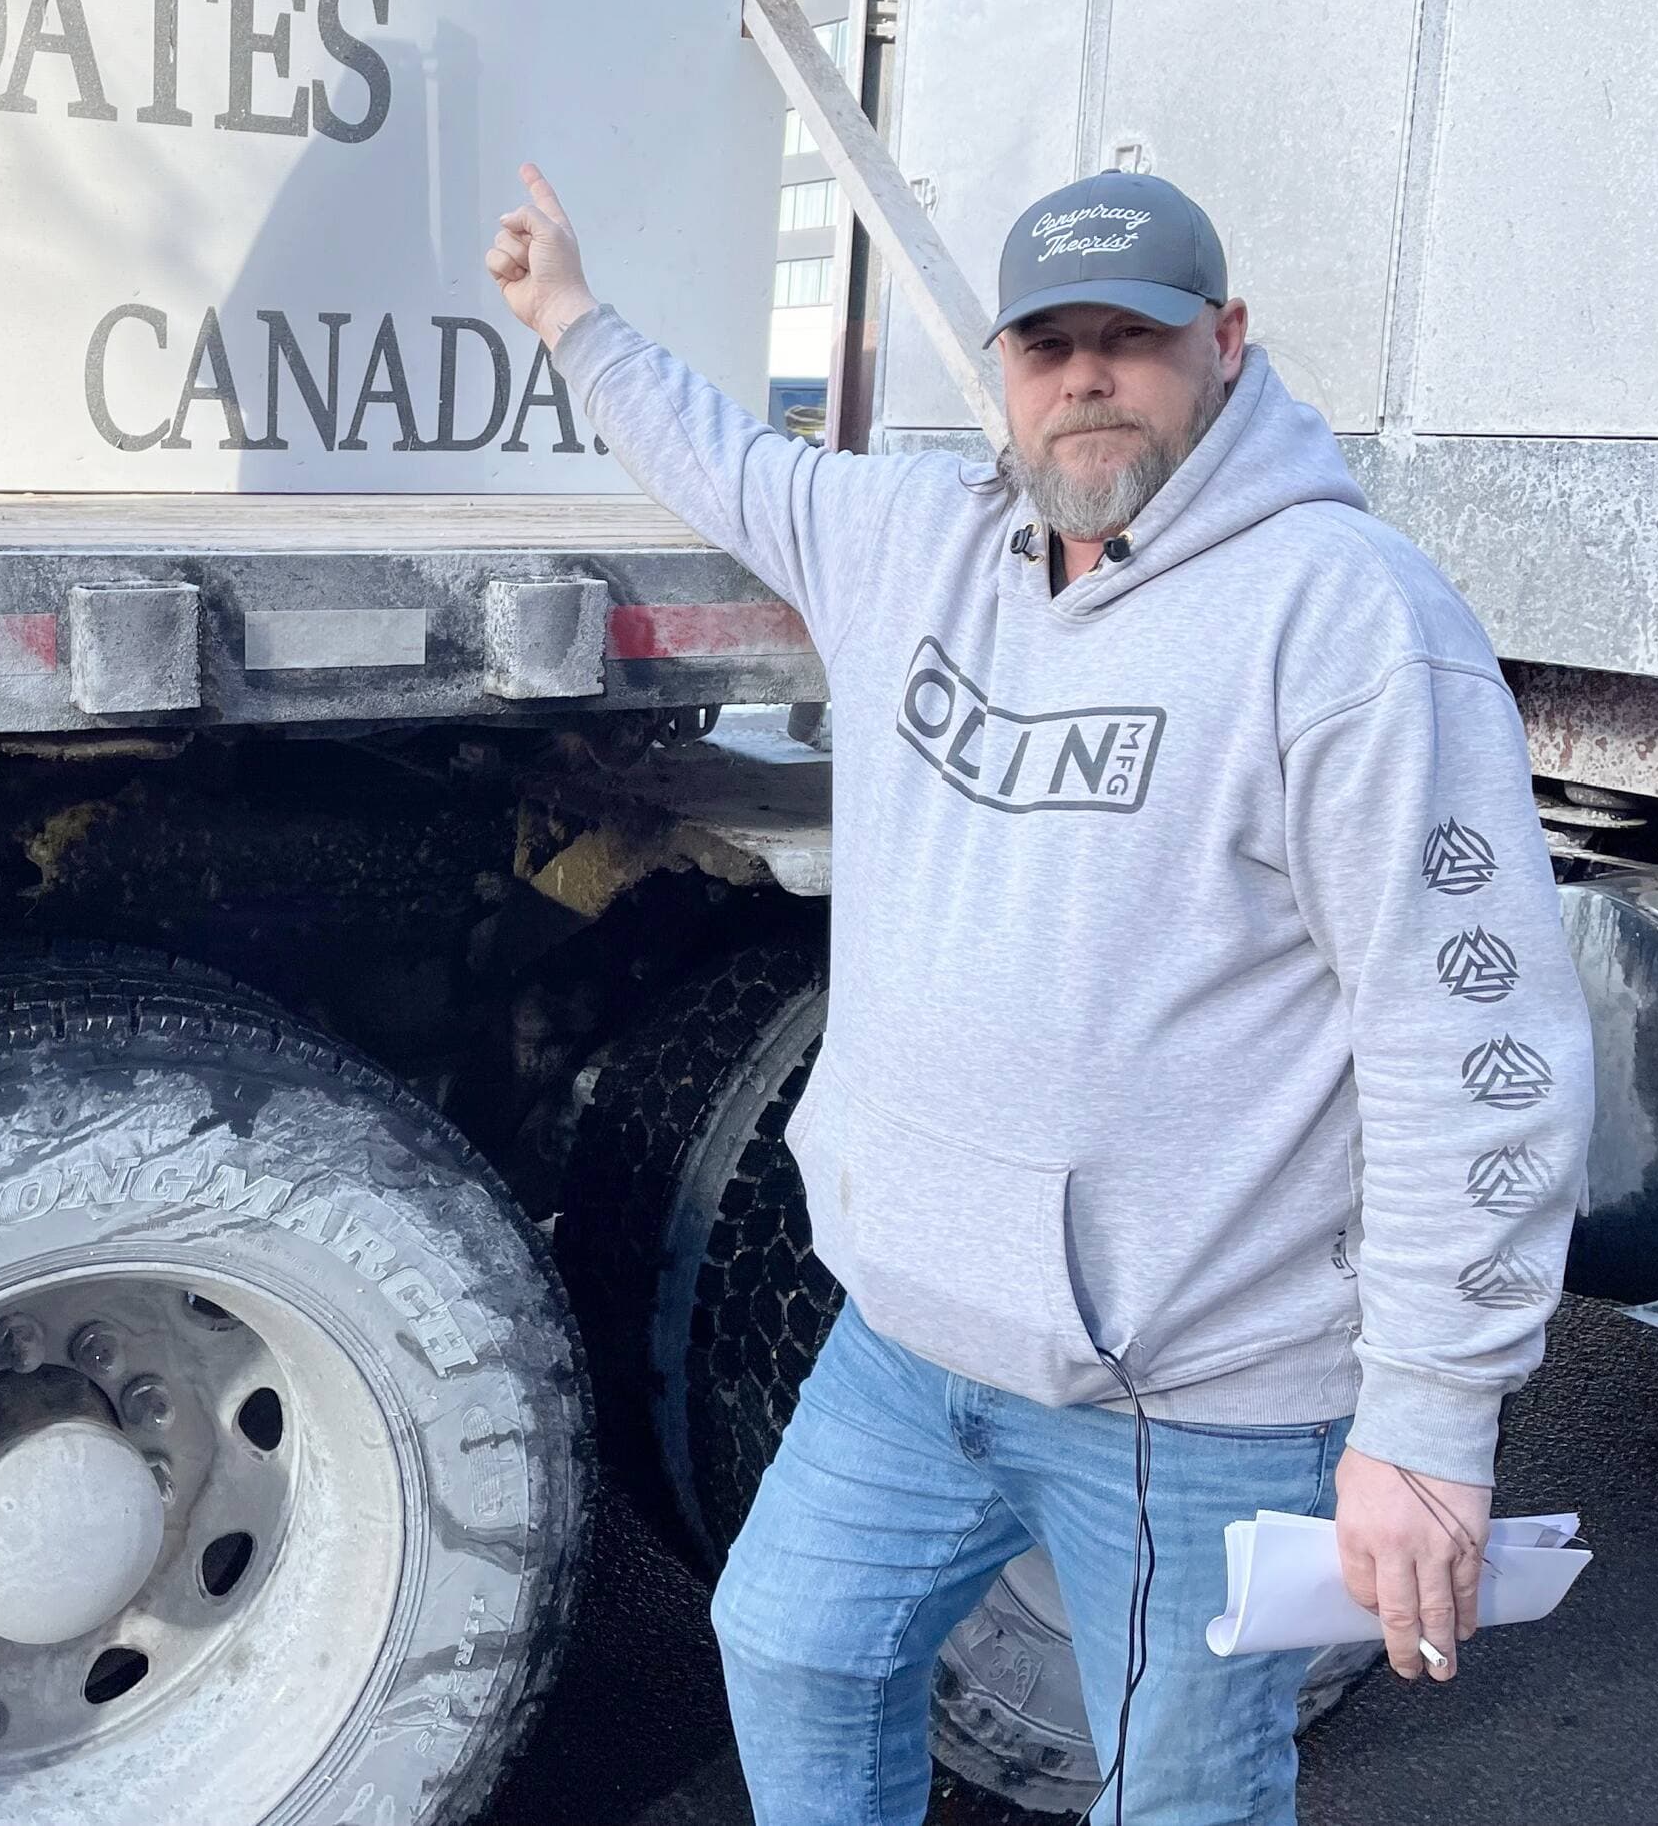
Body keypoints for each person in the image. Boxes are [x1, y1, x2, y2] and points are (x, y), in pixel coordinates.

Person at [485, 165, 1592, 1826]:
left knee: (1182, 1799)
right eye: (1046, 345)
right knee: (792, 1646)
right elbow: (728, 461)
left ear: (1223, 344)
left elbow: (1476, 1046)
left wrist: (1429, 1425)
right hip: (909, 1343)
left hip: (1194, 1399)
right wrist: (573, 319)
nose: (1085, 377)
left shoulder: (1348, 623)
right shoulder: (914, 547)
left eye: (1129, 341)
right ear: (999, 372)